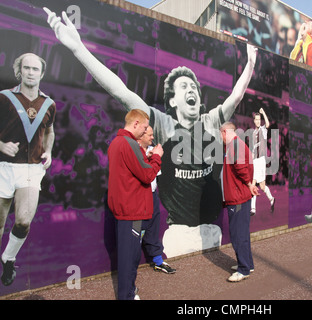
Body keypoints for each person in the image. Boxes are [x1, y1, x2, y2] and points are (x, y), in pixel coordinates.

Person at [44, 8, 257, 258]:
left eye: (194, 87)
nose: (192, 90)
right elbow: (121, 92)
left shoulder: (210, 121)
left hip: (212, 231)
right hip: (179, 235)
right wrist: (78, 49)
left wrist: (251, 62)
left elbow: (237, 95)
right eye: (184, 86)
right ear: (174, 100)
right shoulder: (163, 124)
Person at [0, 53, 56, 287]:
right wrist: (1, 145)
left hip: (31, 169)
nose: (31, 72)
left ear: (42, 74)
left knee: (23, 221)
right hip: (3, 167)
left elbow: (50, 131)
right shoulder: (4, 98)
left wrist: (49, 151)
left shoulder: (49, 104)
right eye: (27, 68)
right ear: (19, 71)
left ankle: (8, 258)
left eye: (35, 69)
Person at [107, 109, 163, 300]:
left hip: (128, 209)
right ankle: (127, 295)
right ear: (136, 123)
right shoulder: (128, 143)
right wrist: (156, 157)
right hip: (132, 211)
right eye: (145, 127)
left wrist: (148, 159)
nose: (147, 132)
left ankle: (129, 291)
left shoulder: (118, 143)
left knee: (129, 257)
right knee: (129, 258)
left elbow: (132, 170)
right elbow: (147, 175)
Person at [220, 122, 259, 282]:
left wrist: (250, 185)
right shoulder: (237, 144)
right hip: (239, 197)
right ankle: (247, 264)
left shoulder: (234, 145)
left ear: (224, 132)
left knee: (238, 234)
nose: (220, 138)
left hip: (237, 198)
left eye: (220, 134)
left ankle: (243, 269)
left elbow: (241, 168)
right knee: (242, 233)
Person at [136, 127, 175, 274]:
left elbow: (153, 175)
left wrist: (154, 157)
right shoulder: (133, 151)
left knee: (153, 228)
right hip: (138, 198)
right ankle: (130, 268)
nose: (153, 137)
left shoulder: (153, 151)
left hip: (152, 195)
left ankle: (158, 261)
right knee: (136, 232)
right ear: (141, 135)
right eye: (150, 135)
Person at [250, 108, 275, 215]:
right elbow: (253, 149)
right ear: (254, 121)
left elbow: (268, 124)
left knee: (262, 187)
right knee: (253, 184)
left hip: (261, 161)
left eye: (259, 119)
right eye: (256, 119)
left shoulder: (263, 130)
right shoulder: (253, 133)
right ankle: (253, 209)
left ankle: (272, 199)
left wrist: (263, 112)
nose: (258, 121)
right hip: (255, 160)